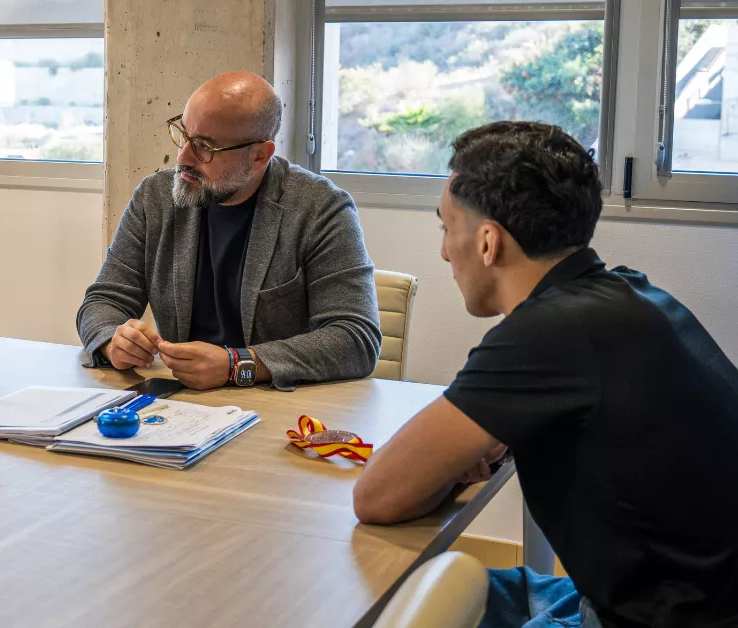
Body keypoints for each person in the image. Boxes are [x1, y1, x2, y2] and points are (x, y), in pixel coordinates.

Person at [353, 121, 738, 627]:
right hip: (702, 597)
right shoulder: (628, 294)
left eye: (447, 228)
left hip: (660, 618)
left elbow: (375, 496)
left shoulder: (543, 335)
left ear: (488, 242)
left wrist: (443, 466)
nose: (445, 251)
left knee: (395, 597)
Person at [77, 71, 380, 391]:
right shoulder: (155, 198)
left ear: (260, 155)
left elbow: (355, 337)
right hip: (180, 404)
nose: (183, 157)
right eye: (184, 134)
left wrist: (239, 364)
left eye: (205, 147)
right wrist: (114, 341)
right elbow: (103, 301)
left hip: (279, 407)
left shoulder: (320, 208)